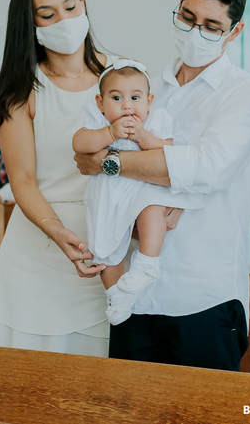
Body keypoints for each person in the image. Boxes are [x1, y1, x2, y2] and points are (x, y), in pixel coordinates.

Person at [75, 0, 250, 371]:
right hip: (134, 298)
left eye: (212, 25)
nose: (196, 32)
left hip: (202, 296)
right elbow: (91, 155)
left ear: (235, 31)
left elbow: (207, 168)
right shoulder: (147, 89)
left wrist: (109, 164)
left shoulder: (244, 93)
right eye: (188, 18)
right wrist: (153, 171)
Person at [0, 0, 114, 356]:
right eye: (49, 14)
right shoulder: (20, 92)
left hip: (108, 254)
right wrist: (59, 234)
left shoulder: (122, 75)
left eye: (71, 6)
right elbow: (22, 180)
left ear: (84, 4)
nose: (65, 20)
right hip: (39, 258)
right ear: (32, 24)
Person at [73, 59, 201, 325]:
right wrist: (109, 132)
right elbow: (80, 143)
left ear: (149, 101)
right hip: (107, 193)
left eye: (135, 97)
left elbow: (169, 149)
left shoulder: (156, 119)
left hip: (142, 187)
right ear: (100, 103)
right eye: (116, 98)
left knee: (152, 211)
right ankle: (116, 296)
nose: (126, 106)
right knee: (105, 247)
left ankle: (147, 262)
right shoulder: (96, 119)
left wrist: (144, 138)